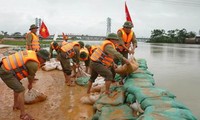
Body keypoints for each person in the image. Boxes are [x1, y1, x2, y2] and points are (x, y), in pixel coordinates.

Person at [0, 49, 50, 120]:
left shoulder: (31, 53)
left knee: (17, 87)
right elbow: (31, 77)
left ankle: (16, 105)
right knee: (21, 90)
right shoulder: (33, 64)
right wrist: (30, 85)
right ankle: (23, 115)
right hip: (5, 71)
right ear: (40, 57)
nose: (45, 62)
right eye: (44, 60)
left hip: (5, 67)